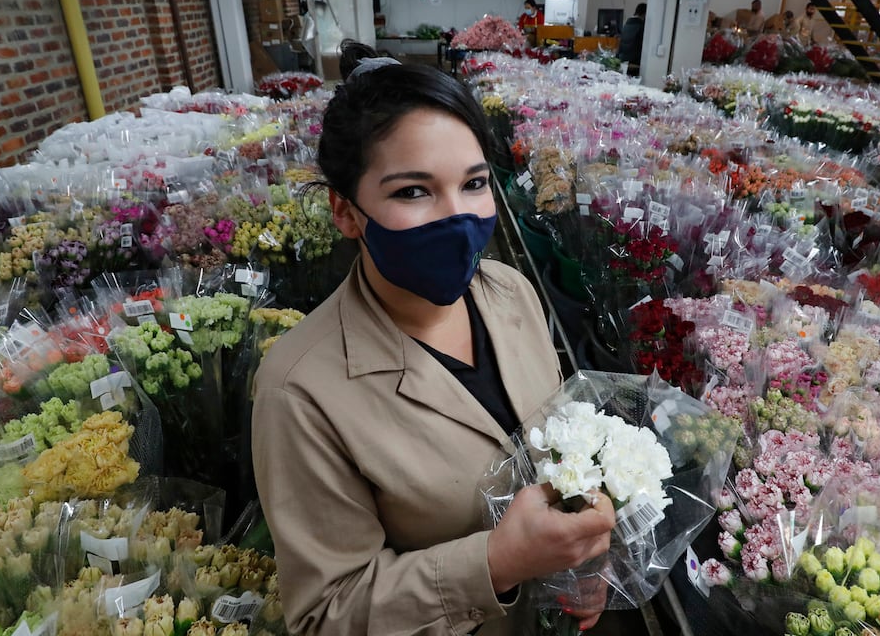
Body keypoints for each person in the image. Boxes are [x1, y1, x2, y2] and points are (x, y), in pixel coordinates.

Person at [252, 44, 618, 636]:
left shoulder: (512, 293)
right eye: (412, 192)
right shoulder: (299, 390)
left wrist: (583, 558)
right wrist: (495, 563)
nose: (457, 219)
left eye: (474, 184)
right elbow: (325, 617)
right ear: (345, 212)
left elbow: (564, 444)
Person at [618, 3, 646, 70]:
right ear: (645, 14)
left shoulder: (627, 25)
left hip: (624, 60)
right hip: (635, 62)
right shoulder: (641, 27)